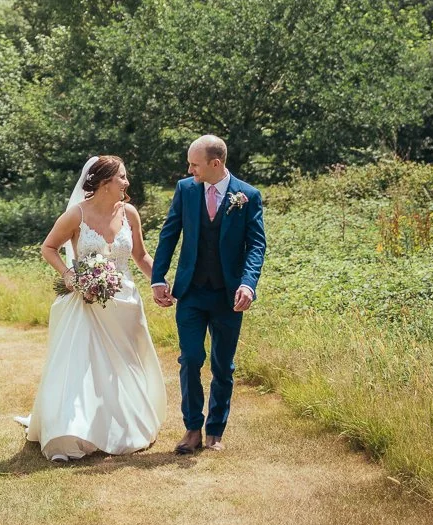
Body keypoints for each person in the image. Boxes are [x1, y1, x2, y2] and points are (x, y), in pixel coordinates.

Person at [17, 155, 168, 462]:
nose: (127, 182)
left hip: (125, 303)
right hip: (87, 302)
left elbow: (140, 256)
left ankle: (123, 426)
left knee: (123, 366)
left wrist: (162, 283)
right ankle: (75, 429)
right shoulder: (76, 215)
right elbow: (48, 247)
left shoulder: (129, 213)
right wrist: (70, 276)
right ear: (104, 183)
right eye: (122, 177)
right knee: (85, 367)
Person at [150, 135, 267, 454]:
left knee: (222, 365)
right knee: (190, 359)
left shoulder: (248, 195)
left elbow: (256, 245)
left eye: (194, 164)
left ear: (216, 164)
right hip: (190, 292)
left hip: (229, 295)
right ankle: (191, 429)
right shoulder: (185, 190)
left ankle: (215, 430)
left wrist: (248, 283)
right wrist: (158, 276)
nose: (189, 170)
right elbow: (170, 233)